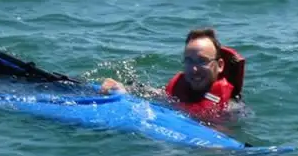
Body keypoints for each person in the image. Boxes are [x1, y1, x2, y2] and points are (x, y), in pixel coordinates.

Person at [100, 28, 246, 121]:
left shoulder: (231, 109)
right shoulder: (175, 90)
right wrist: (121, 89)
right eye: (189, 61)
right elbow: (151, 95)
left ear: (220, 65)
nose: (194, 69)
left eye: (202, 61)